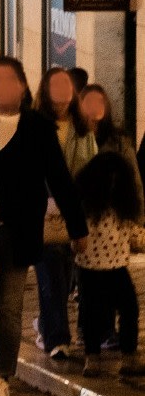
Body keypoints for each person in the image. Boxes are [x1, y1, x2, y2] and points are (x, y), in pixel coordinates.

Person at [0, 55, 88, 396]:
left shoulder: (38, 127)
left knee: (10, 310)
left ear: (23, 86)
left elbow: (59, 178)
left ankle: (2, 376)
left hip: (19, 231)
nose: (4, 87)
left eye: (11, 80)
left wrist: (78, 228)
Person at [32, 66, 98, 360]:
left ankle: (46, 325)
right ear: (45, 92)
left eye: (66, 85)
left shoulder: (83, 128)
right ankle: (58, 339)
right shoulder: (35, 125)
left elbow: (92, 167)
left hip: (75, 210)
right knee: (50, 273)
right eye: (56, 85)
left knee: (66, 273)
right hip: (42, 210)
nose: (62, 91)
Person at [74, 152, 145, 377]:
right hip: (91, 268)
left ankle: (124, 356)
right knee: (95, 313)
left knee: (127, 309)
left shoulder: (116, 207)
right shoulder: (91, 208)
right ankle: (94, 357)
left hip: (114, 267)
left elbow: (133, 233)